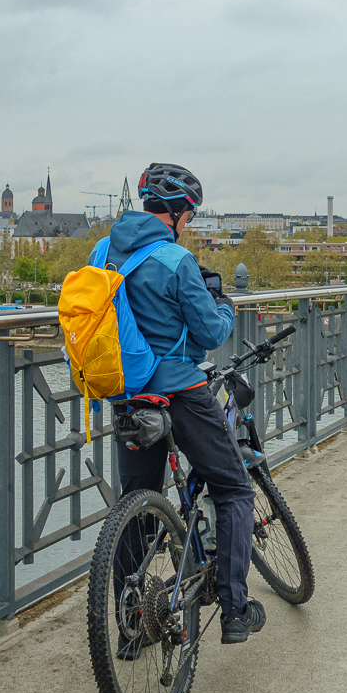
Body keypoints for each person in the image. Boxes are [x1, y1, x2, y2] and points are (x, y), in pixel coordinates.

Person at [106, 162, 265, 646]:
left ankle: (131, 631)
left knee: (134, 506)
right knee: (234, 488)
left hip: (128, 396)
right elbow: (212, 332)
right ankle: (235, 609)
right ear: (176, 213)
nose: (188, 225)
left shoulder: (104, 252)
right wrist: (224, 303)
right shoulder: (178, 262)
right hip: (180, 393)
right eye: (190, 216)